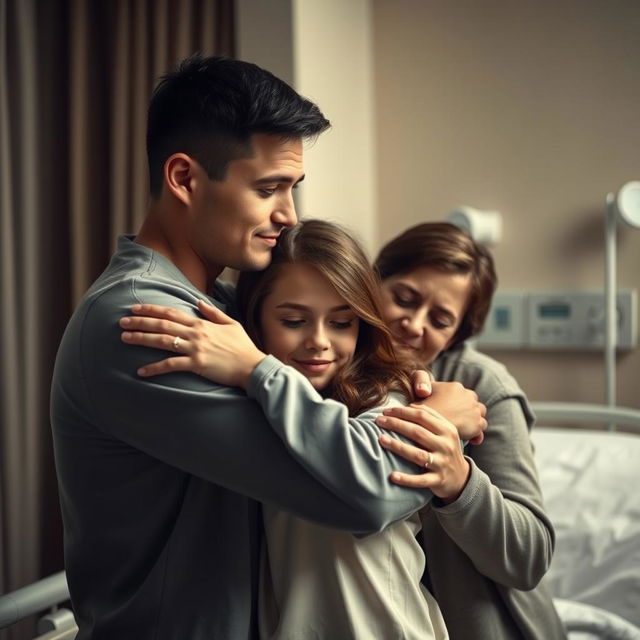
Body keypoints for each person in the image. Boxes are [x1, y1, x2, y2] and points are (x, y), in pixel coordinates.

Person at [50, 55, 485, 639]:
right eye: (268, 188)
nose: (288, 215)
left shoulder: (230, 310)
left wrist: (398, 390)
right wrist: (437, 421)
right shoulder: (140, 322)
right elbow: (362, 494)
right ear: (183, 178)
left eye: (293, 188)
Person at [123, 219, 454, 638]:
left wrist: (257, 368)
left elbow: (364, 476)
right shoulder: (251, 411)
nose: (319, 341)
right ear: (255, 323)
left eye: (341, 323)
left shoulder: (387, 399)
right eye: (295, 321)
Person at [373, 222, 566, 639]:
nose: (414, 324)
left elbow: (529, 555)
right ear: (374, 282)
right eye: (404, 298)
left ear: (457, 336)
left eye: (440, 320)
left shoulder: (484, 387)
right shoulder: (329, 362)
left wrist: (459, 483)